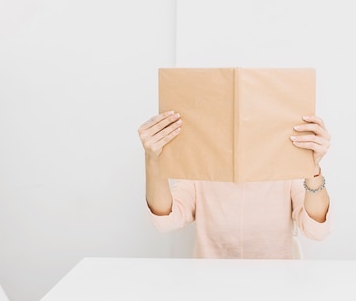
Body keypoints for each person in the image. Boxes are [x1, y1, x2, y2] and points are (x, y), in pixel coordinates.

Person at [138, 111, 332, 259]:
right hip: (211, 287)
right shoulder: (203, 169)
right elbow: (165, 219)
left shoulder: (284, 168)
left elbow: (317, 229)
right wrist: (153, 160)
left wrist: (312, 168)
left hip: (275, 289)